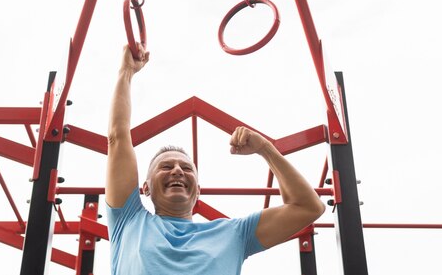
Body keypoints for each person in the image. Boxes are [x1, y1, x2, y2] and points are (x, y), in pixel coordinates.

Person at [106, 45, 325, 275]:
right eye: (166, 166)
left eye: (187, 168)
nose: (178, 170)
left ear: (198, 191)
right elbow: (117, 138)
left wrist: (266, 149)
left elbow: (308, 207)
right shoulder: (129, 221)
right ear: (146, 188)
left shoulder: (234, 234)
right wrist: (126, 72)